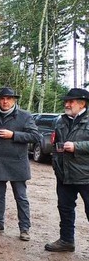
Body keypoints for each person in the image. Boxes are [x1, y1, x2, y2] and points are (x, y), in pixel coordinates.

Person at [0, 87, 40, 241]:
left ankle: (24, 228)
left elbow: (35, 136)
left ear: (14, 100)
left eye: (8, 98)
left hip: (17, 163)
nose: (5, 101)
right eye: (2, 98)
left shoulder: (24, 116)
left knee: (21, 197)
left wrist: (14, 135)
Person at [44, 88, 89, 252]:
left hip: (85, 175)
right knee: (65, 208)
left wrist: (77, 147)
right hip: (64, 174)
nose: (67, 104)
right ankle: (66, 241)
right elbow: (56, 144)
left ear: (82, 103)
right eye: (66, 101)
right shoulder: (60, 121)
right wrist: (56, 164)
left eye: (71, 101)